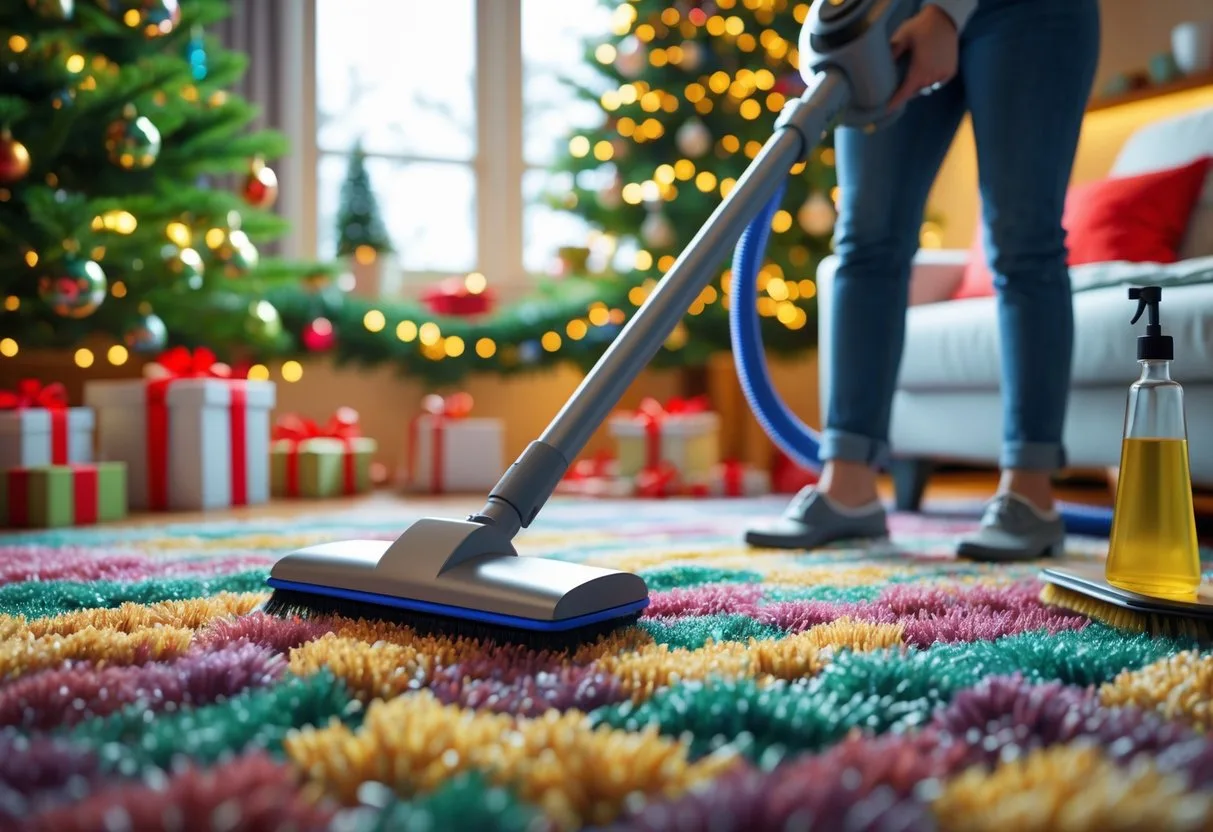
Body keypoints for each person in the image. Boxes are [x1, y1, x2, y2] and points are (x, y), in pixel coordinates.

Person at [745, 0, 1101, 560]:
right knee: (866, 239)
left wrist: (945, 12)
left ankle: (1029, 494)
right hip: (892, 10)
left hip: (1034, 15)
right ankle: (849, 487)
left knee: (1023, 242)